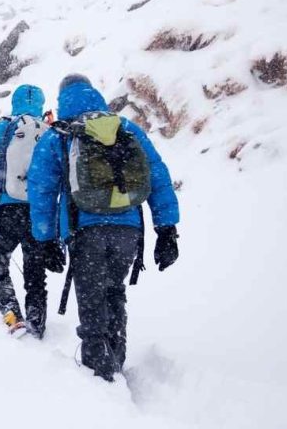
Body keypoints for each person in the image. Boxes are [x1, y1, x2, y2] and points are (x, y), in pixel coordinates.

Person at [28, 74, 180, 381]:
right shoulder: (125, 128)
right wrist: (167, 229)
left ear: (62, 99)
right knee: (113, 290)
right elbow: (157, 176)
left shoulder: (58, 135)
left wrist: (45, 240)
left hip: (85, 231)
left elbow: (41, 190)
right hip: (128, 231)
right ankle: (115, 359)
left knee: (92, 299)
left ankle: (101, 374)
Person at [0, 84, 54, 338]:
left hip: (5, 211)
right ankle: (36, 320)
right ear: (40, 104)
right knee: (35, 268)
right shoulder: (48, 132)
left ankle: (12, 315)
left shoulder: (0, 127)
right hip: (37, 213)